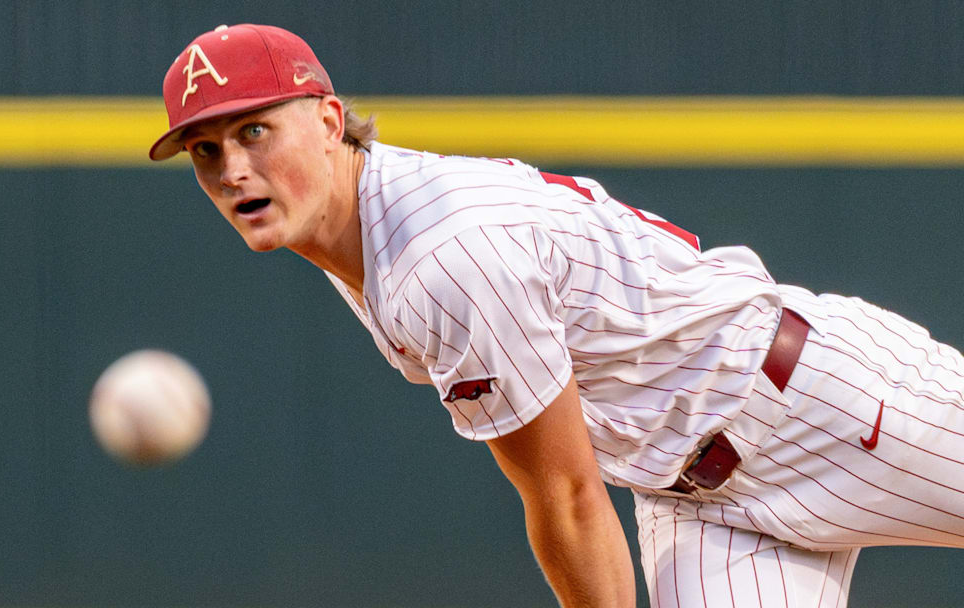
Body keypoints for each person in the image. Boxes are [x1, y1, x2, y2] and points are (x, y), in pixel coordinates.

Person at [149, 23, 964, 608]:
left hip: (823, 406)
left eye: (256, 130)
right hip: (696, 499)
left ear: (329, 122)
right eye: (207, 150)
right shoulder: (359, 224)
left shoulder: (439, 252)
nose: (234, 168)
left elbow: (568, 495)